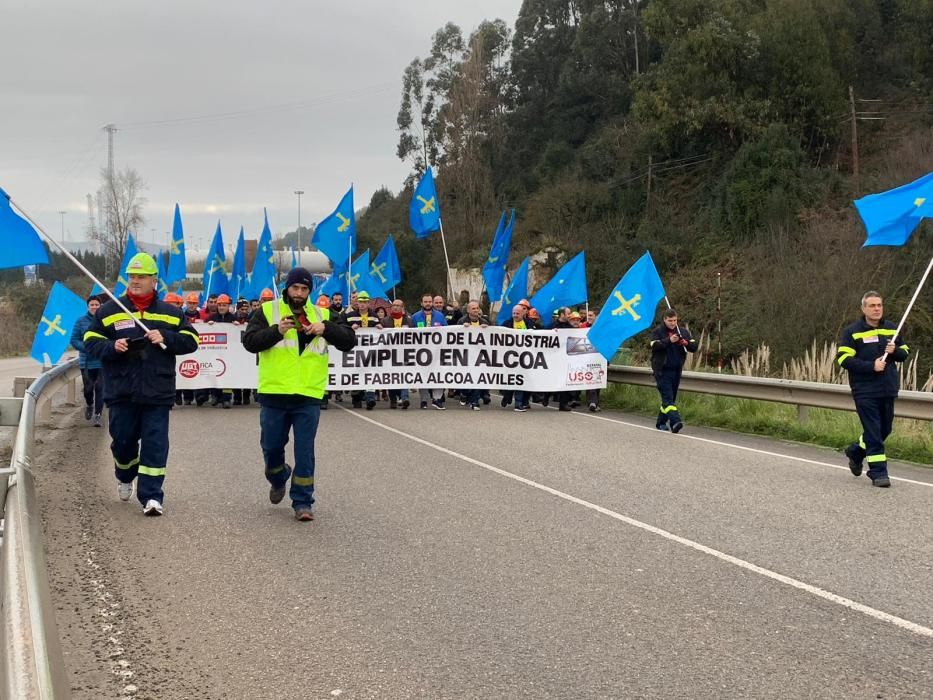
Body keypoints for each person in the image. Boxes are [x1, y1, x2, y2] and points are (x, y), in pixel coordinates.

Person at [83, 253, 199, 516]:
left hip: (157, 391)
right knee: (123, 442)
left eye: (141, 277)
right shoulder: (109, 310)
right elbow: (90, 341)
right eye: (132, 277)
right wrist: (112, 346)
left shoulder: (171, 313)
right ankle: (124, 475)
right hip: (121, 390)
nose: (135, 281)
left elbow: (192, 340)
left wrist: (166, 336)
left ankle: (152, 496)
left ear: (154, 280)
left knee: (155, 443)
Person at [242, 267, 356, 521]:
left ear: (310, 291)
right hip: (274, 393)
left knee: (305, 450)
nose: (299, 293)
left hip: (308, 394)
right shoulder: (268, 311)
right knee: (271, 448)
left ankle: (303, 501)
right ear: (287, 288)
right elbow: (249, 342)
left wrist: (325, 328)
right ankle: (278, 475)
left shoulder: (323, 314)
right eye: (295, 288)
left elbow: (349, 340)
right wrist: (276, 331)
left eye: (304, 289)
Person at [837, 291, 909, 488]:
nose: (877, 308)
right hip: (865, 390)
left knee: (885, 429)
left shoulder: (892, 329)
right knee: (874, 432)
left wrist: (895, 352)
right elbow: (844, 359)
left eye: (879, 305)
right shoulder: (853, 331)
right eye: (872, 305)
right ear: (863, 309)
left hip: (888, 388)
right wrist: (871, 366)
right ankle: (878, 472)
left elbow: (905, 353)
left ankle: (856, 452)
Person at [650, 308, 698, 433]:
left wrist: (685, 343)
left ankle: (660, 423)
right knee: (668, 398)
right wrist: (668, 341)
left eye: (675, 320)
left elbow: (694, 347)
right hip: (662, 370)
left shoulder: (683, 332)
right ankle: (676, 422)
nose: (672, 323)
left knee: (670, 399)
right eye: (670, 320)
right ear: (664, 319)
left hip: (676, 370)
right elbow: (654, 346)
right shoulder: (658, 332)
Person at [340, 290, 380, 409]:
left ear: (368, 303)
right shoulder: (350, 316)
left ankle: (370, 398)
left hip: (370, 351)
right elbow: (342, 328)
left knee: (370, 373)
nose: (362, 304)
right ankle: (356, 398)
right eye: (360, 302)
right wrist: (350, 328)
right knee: (356, 373)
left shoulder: (374, 316)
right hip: (355, 351)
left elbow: (380, 330)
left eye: (365, 302)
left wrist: (380, 327)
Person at [70, 294, 104, 426]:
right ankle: (89, 404)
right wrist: (88, 347)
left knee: (100, 388)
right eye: (92, 305)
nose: (94, 307)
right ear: (88, 306)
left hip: (101, 361)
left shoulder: (104, 320)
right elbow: (74, 340)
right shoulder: (80, 321)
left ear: (100, 306)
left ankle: (98, 415)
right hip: (87, 361)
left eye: (97, 305)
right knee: (88, 389)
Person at [411, 294, 447, 409]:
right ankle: (424, 400)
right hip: (421, 352)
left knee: (438, 374)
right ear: (421, 303)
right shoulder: (415, 316)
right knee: (423, 375)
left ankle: (437, 399)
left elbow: (447, 331)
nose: (428, 304)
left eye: (429, 301)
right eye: (425, 301)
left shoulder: (440, 316)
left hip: (437, 351)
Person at [380, 299, 412, 409]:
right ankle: (393, 399)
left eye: (398, 305)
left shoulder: (409, 321)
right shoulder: (384, 321)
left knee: (403, 375)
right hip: (389, 354)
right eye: (394, 305)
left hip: (404, 354)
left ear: (402, 308)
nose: (396, 307)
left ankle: (404, 398)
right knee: (392, 377)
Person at [461, 300, 490, 410]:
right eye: (473, 308)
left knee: (477, 378)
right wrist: (462, 329)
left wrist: (487, 329)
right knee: (467, 379)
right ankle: (464, 394)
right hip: (466, 356)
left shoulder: (484, 322)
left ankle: (475, 401)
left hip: (480, 356)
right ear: (468, 310)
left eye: (477, 308)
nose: (476, 310)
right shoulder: (462, 321)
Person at [501, 305, 530, 412]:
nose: (515, 315)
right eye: (514, 313)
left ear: (523, 313)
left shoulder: (529, 324)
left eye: (517, 313)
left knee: (520, 381)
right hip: (510, 358)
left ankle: (518, 404)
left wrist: (554, 331)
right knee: (510, 381)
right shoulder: (506, 324)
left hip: (524, 358)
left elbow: (541, 334)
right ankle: (507, 396)